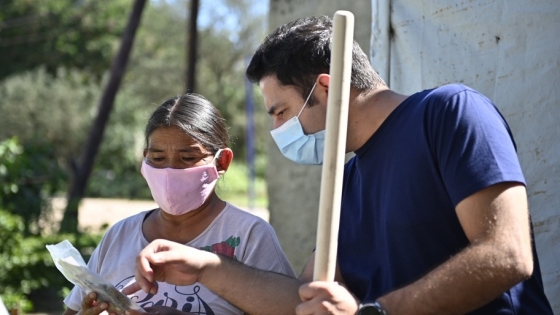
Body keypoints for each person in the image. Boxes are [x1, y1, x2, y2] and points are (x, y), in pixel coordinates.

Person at [123, 16, 553, 315]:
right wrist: (207, 267)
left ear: (325, 88)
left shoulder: (449, 113)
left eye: (280, 111)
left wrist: (374, 312)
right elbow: (304, 298)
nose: (278, 129)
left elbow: (506, 254)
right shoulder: (348, 179)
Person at [61, 94, 295, 315]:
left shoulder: (249, 236)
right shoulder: (119, 236)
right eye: (158, 158)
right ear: (144, 159)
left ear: (222, 162)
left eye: (188, 158)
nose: (170, 171)